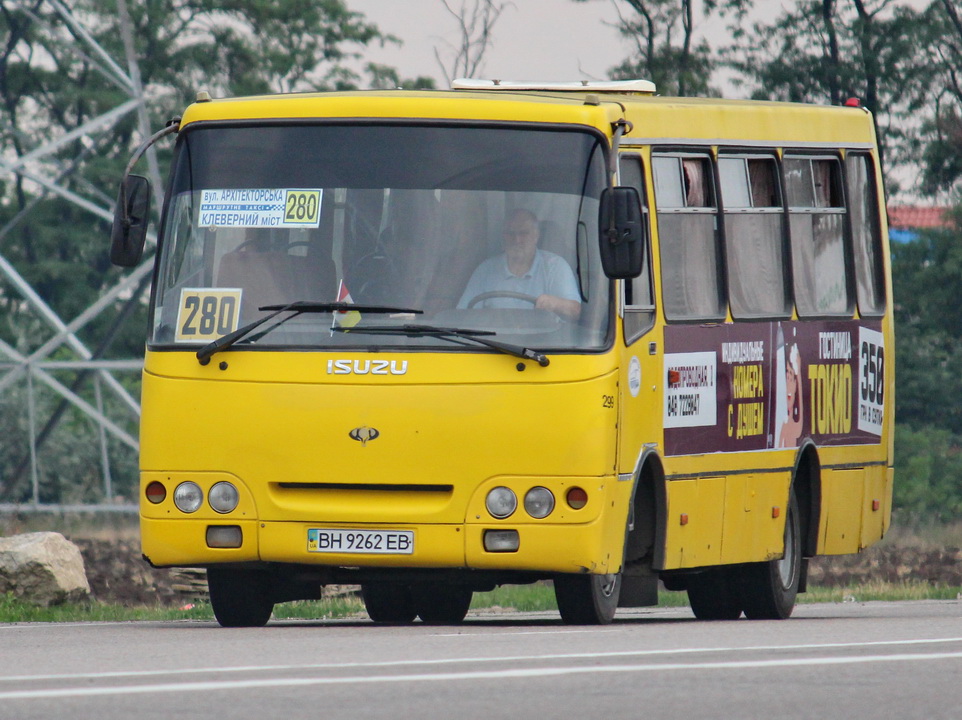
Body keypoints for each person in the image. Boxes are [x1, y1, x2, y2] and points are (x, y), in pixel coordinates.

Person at [457, 209, 582, 321]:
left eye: (523, 233)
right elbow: (462, 315)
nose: (517, 240)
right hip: (492, 342)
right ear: (503, 236)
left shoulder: (556, 267)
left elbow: (575, 311)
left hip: (545, 344)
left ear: (536, 236)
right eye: (511, 234)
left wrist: (555, 304)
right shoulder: (485, 270)